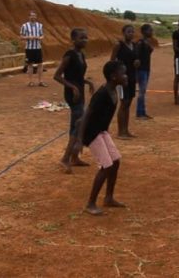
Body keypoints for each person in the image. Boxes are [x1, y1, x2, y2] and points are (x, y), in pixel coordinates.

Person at [77, 60, 128, 216]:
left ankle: (108, 198)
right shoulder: (102, 94)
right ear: (113, 77)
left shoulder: (115, 91)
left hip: (101, 131)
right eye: (123, 73)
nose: (126, 76)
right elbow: (86, 115)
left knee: (115, 161)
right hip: (92, 133)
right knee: (106, 165)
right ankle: (90, 203)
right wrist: (79, 140)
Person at [54, 28, 95, 173]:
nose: (84, 40)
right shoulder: (69, 55)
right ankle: (65, 159)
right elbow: (57, 76)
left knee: (79, 124)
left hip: (79, 92)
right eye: (81, 38)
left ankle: (74, 157)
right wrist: (73, 87)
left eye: (86, 38)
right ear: (73, 40)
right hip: (73, 94)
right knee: (77, 125)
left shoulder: (81, 55)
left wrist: (87, 83)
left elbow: (76, 76)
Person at [112, 25, 139, 139]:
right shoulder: (119, 45)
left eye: (132, 32)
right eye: (128, 32)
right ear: (123, 33)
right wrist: (116, 76)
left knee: (128, 103)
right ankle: (120, 132)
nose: (131, 34)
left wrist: (137, 64)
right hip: (122, 79)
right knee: (124, 103)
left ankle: (126, 130)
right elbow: (112, 61)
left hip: (131, 77)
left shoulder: (134, 45)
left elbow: (134, 61)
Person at [20, 10, 46, 87]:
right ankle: (30, 81)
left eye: (34, 16)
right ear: (29, 17)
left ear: (36, 17)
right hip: (29, 48)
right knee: (30, 64)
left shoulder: (40, 25)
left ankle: (40, 81)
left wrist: (39, 38)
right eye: (31, 16)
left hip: (38, 47)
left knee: (40, 64)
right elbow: (21, 37)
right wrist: (28, 37)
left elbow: (42, 35)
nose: (33, 17)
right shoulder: (24, 26)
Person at [135, 24, 154, 120]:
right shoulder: (140, 43)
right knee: (142, 92)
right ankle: (139, 113)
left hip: (146, 69)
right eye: (150, 30)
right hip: (141, 70)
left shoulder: (146, 42)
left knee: (143, 91)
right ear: (144, 32)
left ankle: (142, 111)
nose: (151, 32)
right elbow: (136, 58)